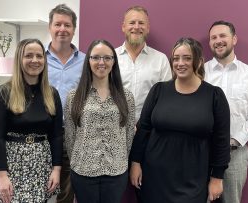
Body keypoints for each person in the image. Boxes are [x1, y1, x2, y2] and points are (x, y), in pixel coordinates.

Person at [130, 37, 231, 203]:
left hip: (194, 179)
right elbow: (144, 130)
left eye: (187, 58)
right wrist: (135, 163)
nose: (180, 63)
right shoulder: (159, 90)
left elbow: (221, 140)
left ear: (199, 61)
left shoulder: (214, 96)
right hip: (154, 176)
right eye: (176, 58)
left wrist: (217, 178)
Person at [0, 38, 63, 203]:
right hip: (10, 164)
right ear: (19, 59)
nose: (35, 60)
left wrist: (56, 169)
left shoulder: (52, 94)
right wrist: (1, 175)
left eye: (39, 56)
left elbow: (56, 136)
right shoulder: (4, 92)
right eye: (29, 56)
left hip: (40, 164)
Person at [64, 39, 135, 203]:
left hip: (116, 173)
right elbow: (70, 136)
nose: (101, 62)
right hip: (83, 172)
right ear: (88, 60)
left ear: (113, 61)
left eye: (107, 58)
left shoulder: (126, 97)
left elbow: (129, 134)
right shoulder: (74, 97)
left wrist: (120, 159)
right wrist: (79, 160)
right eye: (95, 57)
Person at [205, 20, 248, 203]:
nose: (218, 40)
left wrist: (234, 140)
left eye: (223, 35)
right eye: (213, 37)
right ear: (209, 43)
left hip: (236, 154)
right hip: (202, 150)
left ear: (234, 39)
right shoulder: (201, 72)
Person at [46, 4, 85, 203]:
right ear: (50, 27)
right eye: (58, 24)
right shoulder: (37, 59)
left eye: (67, 25)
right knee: (37, 187)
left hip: (72, 134)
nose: (62, 29)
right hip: (41, 134)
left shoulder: (86, 62)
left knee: (66, 194)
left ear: (74, 29)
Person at [115, 5, 172, 122]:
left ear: (148, 28)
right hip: (116, 129)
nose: (136, 27)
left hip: (150, 130)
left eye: (141, 23)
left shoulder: (161, 60)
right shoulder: (111, 58)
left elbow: (167, 98)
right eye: (132, 23)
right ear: (123, 27)